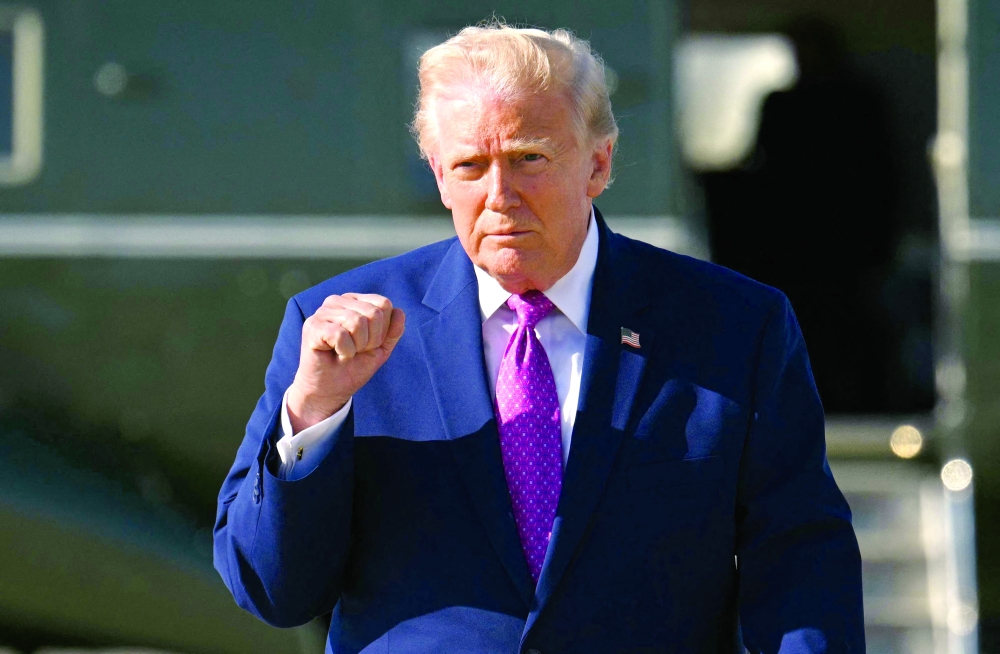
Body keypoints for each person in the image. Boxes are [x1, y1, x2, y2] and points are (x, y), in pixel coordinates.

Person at [214, 23, 864, 654]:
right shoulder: (341, 332)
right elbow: (270, 590)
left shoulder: (733, 326)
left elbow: (801, 565)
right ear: (439, 175)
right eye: (470, 166)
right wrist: (312, 414)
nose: (500, 196)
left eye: (529, 159)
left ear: (598, 163)